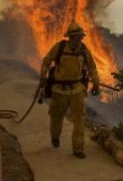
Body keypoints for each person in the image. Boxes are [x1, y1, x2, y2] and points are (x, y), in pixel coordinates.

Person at [39, 22, 100, 159]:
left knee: (79, 119)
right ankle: (55, 136)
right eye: (75, 37)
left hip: (77, 89)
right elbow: (46, 61)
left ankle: (78, 148)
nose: (78, 40)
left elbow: (92, 67)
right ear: (69, 37)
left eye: (80, 37)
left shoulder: (83, 50)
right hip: (59, 89)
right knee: (56, 116)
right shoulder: (59, 47)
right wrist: (43, 76)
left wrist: (96, 84)